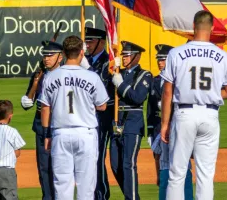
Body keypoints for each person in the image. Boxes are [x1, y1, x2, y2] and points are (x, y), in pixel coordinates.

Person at [160, 10, 227, 200]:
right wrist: (210, 94)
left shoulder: (176, 53)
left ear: (193, 27)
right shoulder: (222, 55)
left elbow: (168, 91)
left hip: (185, 113)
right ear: (211, 29)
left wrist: (165, 124)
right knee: (205, 175)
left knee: (177, 173)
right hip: (210, 115)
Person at [40, 35, 109, 200]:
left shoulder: (51, 77)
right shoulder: (91, 76)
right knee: (86, 186)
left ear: (63, 53)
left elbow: (45, 107)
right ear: (81, 53)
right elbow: (102, 105)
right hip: (86, 133)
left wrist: (46, 134)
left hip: (60, 133)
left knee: (62, 185)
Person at [110, 40, 153, 200]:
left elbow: (138, 97)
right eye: (123, 55)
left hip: (132, 123)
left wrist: (121, 85)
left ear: (137, 57)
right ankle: (132, 195)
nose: (124, 57)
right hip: (117, 122)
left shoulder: (144, 75)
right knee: (115, 165)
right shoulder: (118, 72)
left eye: (127, 55)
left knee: (128, 163)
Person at [20, 40, 64, 200]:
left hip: (60, 126)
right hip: (40, 126)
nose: (46, 58)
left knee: (61, 167)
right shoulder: (39, 74)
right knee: (44, 167)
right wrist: (36, 83)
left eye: (50, 55)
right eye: (45, 55)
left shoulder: (66, 74)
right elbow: (26, 104)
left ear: (60, 57)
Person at [84, 27, 116, 200]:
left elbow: (101, 88)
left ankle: (101, 194)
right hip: (86, 116)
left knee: (98, 156)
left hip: (103, 116)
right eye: (86, 41)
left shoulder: (108, 62)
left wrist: (87, 69)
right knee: (88, 158)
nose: (87, 45)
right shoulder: (84, 60)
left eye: (91, 41)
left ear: (101, 42)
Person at [148, 44, 173, 185]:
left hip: (172, 123)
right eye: (158, 59)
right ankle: (160, 180)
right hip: (157, 124)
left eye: (163, 59)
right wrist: (150, 129)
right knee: (157, 154)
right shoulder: (155, 81)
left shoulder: (177, 80)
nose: (159, 62)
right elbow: (150, 107)